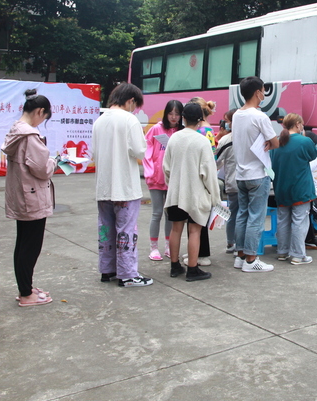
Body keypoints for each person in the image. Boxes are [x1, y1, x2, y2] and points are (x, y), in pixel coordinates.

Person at [91, 83, 153, 288]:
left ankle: (107, 269)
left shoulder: (99, 121)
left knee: (106, 228)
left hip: (104, 186)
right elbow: (140, 150)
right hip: (125, 186)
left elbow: (94, 152)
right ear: (131, 101)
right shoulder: (129, 120)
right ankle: (127, 274)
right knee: (126, 230)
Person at [2, 89, 57, 307]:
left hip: (22, 194)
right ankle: (26, 294)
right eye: (44, 117)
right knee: (30, 246)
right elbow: (42, 169)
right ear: (40, 111)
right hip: (32, 197)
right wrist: (55, 161)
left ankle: (26, 287)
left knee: (23, 243)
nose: (41, 122)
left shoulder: (16, 130)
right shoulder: (30, 137)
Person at [163, 102, 221, 281]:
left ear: (183, 118)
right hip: (195, 195)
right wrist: (215, 198)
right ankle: (192, 269)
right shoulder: (202, 141)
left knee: (176, 229)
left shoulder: (174, 138)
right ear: (200, 120)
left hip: (175, 193)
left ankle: (174, 266)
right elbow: (209, 173)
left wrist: (172, 184)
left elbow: (166, 168)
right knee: (195, 231)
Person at [232, 76, 278, 273]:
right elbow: (275, 142)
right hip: (258, 174)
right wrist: (268, 142)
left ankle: (241, 256)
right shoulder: (260, 117)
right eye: (263, 90)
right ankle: (251, 260)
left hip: (241, 174)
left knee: (242, 215)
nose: (264, 94)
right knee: (256, 218)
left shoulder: (236, 115)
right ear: (257, 92)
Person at [270, 114, 317, 264]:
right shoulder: (305, 141)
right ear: (297, 124)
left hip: (281, 187)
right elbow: (313, 155)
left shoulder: (277, 141)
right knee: (299, 221)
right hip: (300, 188)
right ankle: (298, 255)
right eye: (302, 124)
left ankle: (282, 252)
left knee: (283, 220)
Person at [143, 100, 183, 261]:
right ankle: (153, 248)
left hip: (173, 180)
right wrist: (150, 172)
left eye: (177, 114)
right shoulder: (156, 129)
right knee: (157, 212)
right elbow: (146, 151)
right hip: (156, 178)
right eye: (170, 113)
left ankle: (168, 246)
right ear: (166, 114)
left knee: (169, 214)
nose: (173, 117)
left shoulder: (181, 132)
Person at [181, 97, 217, 266]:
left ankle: (201, 254)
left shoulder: (202, 131)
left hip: (199, 178)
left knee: (197, 220)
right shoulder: (206, 129)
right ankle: (196, 252)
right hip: (202, 177)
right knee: (196, 219)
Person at [215, 109, 238, 253]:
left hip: (232, 183)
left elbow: (216, 163)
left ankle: (231, 243)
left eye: (227, 121)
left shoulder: (225, 140)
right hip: (249, 181)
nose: (226, 124)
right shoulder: (251, 136)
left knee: (233, 214)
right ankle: (241, 246)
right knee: (245, 215)